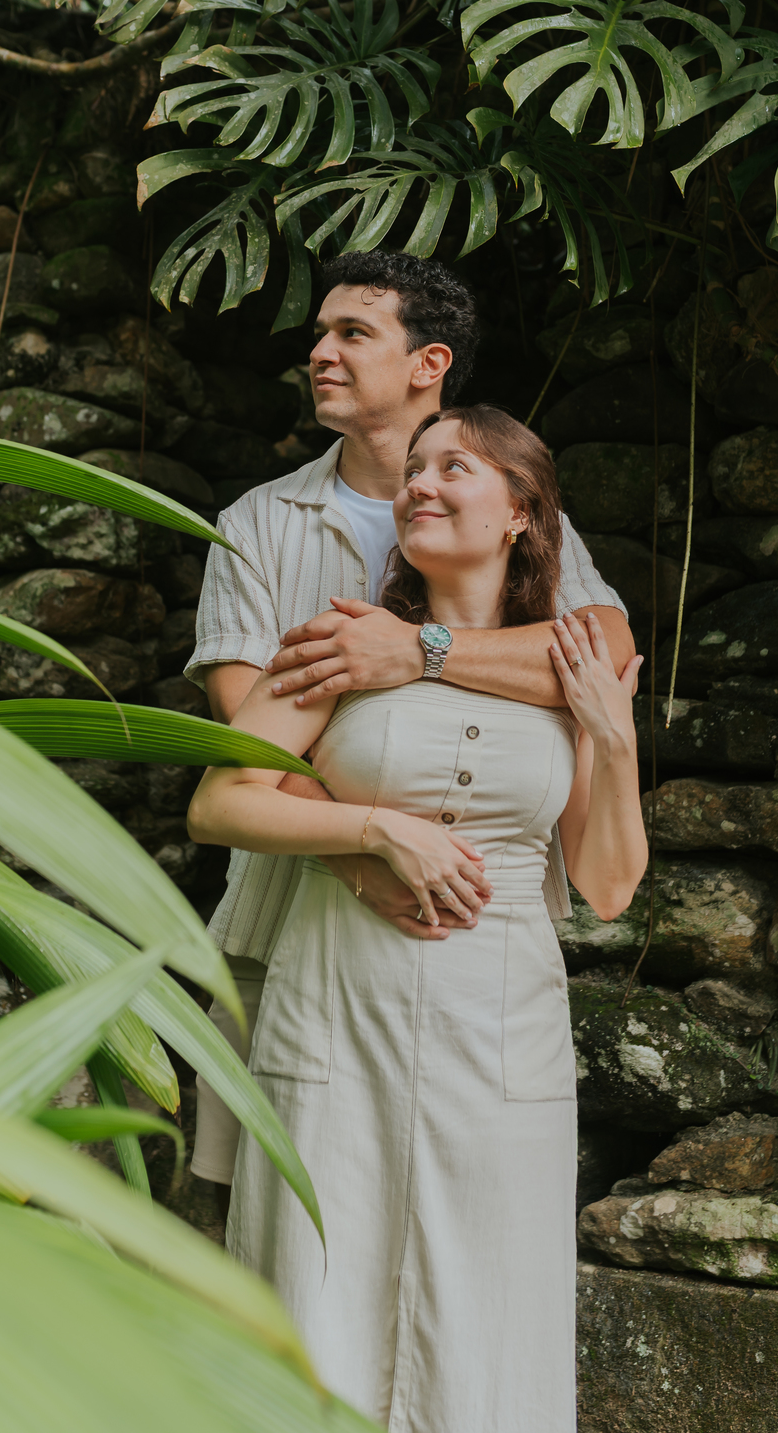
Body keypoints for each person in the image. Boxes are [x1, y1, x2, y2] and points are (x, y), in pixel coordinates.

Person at [187, 405, 649, 1433]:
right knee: (316, 1289)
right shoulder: (339, 642)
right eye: (416, 470)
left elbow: (609, 885)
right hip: (336, 1010)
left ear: (523, 513)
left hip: (502, 1032)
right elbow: (220, 801)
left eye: (457, 469)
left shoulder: (567, 677)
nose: (421, 484)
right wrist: (373, 833)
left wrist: (612, 743)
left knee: (486, 1307)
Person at [185, 251, 635, 1209]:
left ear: (428, 362)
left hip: (485, 944)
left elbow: (600, 653)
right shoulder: (258, 524)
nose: (322, 352)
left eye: (353, 332)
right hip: (288, 913)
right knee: (272, 1208)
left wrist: (415, 652)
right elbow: (244, 734)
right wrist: (359, 854)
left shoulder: (495, 495)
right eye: (320, 333)